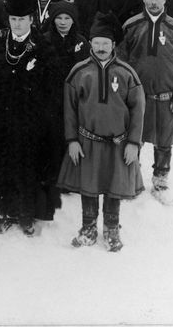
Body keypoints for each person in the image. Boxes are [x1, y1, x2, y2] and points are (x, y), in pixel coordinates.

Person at [57, 14, 145, 253]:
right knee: (89, 185)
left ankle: (111, 228)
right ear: (90, 44)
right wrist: (72, 141)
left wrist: (133, 143)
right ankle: (87, 229)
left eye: (105, 43)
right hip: (88, 142)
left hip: (119, 143)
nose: (101, 48)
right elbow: (70, 110)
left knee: (114, 185)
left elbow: (138, 110)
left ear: (113, 44)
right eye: (96, 43)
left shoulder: (127, 73)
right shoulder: (79, 72)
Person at [0, 0, 57, 235]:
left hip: (29, 118)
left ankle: (27, 212)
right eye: (13, 19)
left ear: (31, 20)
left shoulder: (43, 46)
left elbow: (50, 84)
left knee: (27, 165)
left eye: (22, 19)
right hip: (3, 116)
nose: (17, 24)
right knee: (4, 162)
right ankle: (7, 210)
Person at [116, 0, 173, 203]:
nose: (153, 2)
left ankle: (160, 182)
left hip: (166, 97)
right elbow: (120, 61)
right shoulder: (131, 26)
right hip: (138, 98)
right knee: (134, 140)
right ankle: (132, 180)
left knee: (164, 142)